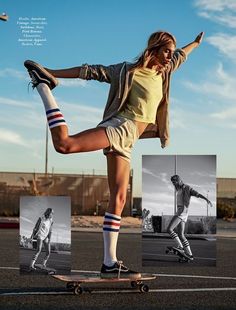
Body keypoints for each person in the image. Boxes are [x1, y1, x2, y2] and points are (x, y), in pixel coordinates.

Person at [24, 30, 204, 278]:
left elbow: (182, 55)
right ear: (153, 49)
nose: (170, 57)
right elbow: (91, 71)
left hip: (128, 141)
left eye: (172, 53)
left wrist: (195, 43)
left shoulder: (166, 71)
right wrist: (53, 73)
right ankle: (44, 86)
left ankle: (110, 263)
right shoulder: (126, 71)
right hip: (120, 127)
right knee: (64, 144)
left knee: (119, 198)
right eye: (166, 51)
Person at [167, 175, 213, 260]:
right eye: (172, 182)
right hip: (183, 212)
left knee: (169, 229)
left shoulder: (186, 188)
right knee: (181, 234)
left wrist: (206, 199)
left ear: (179, 180)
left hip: (182, 211)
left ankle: (180, 247)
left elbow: (197, 194)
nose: (173, 183)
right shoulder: (178, 189)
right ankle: (190, 254)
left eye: (175, 181)